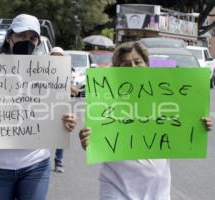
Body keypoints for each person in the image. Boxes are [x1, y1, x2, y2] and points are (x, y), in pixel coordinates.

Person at [79, 41, 213, 200]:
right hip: (116, 185)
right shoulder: (104, 96)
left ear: (147, 65)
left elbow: (184, 124)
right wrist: (86, 140)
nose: (133, 67)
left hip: (157, 187)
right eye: (126, 64)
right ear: (116, 69)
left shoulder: (166, 94)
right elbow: (94, 139)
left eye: (138, 62)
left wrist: (200, 125)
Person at [0, 14, 77, 200]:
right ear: (9, 38)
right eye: (22, 36)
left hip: (36, 164)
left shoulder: (48, 71)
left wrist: (69, 119)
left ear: (38, 42)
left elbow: (59, 111)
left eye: (32, 38)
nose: (27, 41)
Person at [50, 46, 77, 173]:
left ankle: (59, 161)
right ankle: (39, 163)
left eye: (59, 56)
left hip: (61, 107)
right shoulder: (42, 70)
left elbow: (76, 91)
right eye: (53, 55)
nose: (56, 58)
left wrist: (64, 83)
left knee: (62, 134)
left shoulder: (67, 72)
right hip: (44, 107)